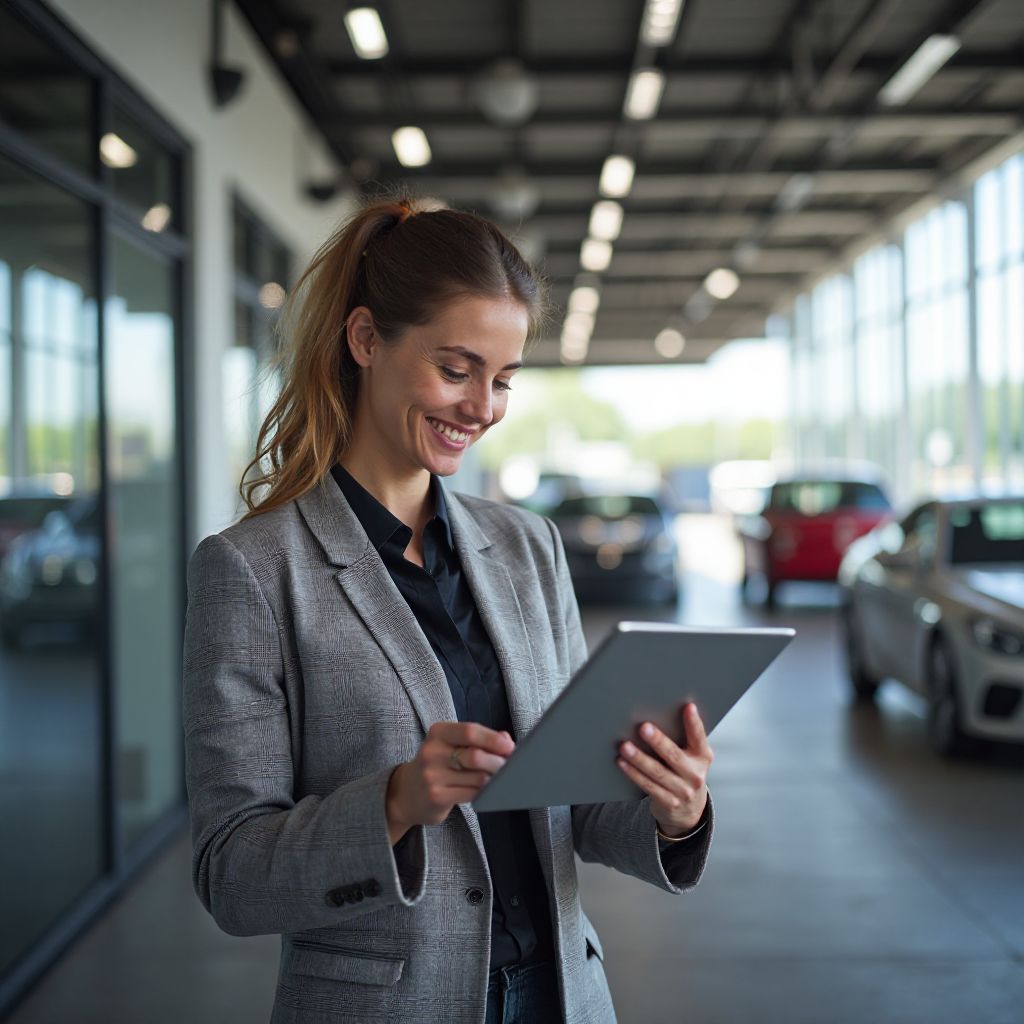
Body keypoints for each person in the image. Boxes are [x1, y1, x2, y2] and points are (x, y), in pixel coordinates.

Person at [182, 198, 714, 1024]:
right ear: (365, 341)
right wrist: (393, 802)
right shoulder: (253, 571)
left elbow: (574, 805)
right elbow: (232, 874)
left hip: (563, 998)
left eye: (502, 380)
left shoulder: (531, 549)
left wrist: (671, 812)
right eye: (457, 369)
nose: (483, 408)